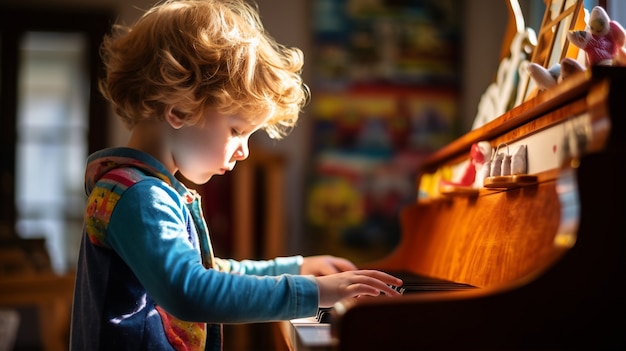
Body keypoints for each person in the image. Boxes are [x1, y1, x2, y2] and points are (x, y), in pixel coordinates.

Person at [69, 0, 403, 350]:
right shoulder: (140, 196)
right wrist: (315, 292)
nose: (244, 151)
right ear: (180, 109)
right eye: (236, 130)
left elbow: (207, 272)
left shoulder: (140, 189)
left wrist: (296, 268)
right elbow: (191, 290)